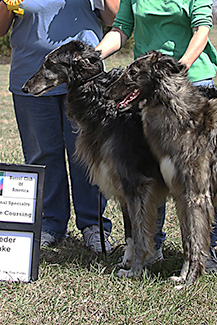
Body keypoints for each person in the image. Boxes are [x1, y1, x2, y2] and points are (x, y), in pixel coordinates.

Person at [95, 0, 217, 271]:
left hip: (190, 82)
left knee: (199, 174)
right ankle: (153, 245)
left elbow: (202, 30)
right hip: (147, 87)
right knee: (153, 168)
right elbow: (121, 29)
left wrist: (177, 69)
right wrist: (95, 56)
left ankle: (206, 249)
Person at [0, 0, 120, 253]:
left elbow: (113, 19)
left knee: (87, 157)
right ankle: (50, 225)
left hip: (85, 81)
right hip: (29, 76)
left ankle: (93, 226)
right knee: (42, 156)